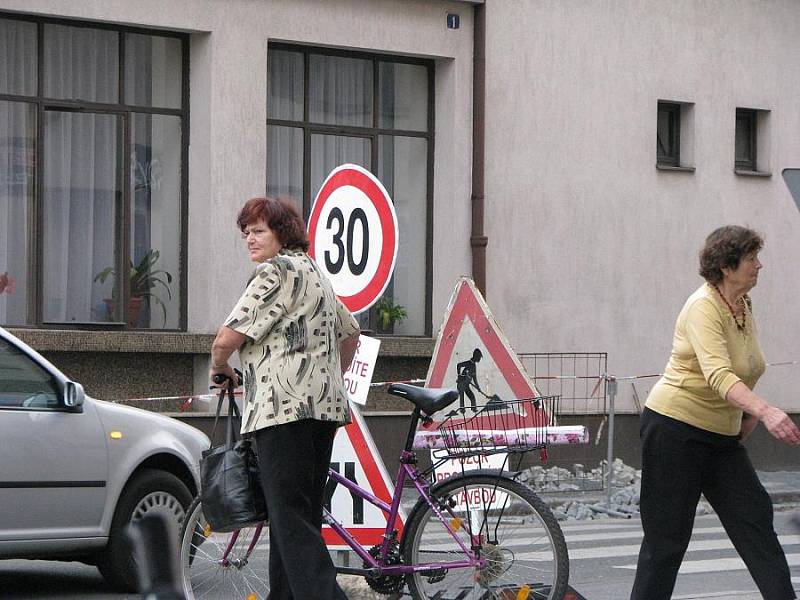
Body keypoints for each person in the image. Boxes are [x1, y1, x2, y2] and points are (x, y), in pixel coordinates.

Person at [630, 225, 800, 600]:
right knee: (667, 541)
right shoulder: (702, 307)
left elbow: (746, 366)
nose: (760, 265)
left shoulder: (742, 305)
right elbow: (718, 373)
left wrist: (747, 413)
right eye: (752, 258)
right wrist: (765, 410)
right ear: (727, 266)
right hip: (674, 431)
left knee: (755, 519)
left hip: (720, 439)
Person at [209, 196, 360, 600]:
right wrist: (329, 376)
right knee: (297, 517)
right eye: (246, 232)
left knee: (291, 521)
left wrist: (219, 366)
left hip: (282, 413)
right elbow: (351, 332)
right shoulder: (315, 273)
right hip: (324, 411)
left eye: (258, 231)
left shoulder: (273, 273)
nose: (250, 240)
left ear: (282, 233)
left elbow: (227, 337)